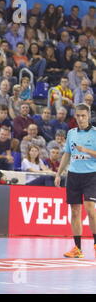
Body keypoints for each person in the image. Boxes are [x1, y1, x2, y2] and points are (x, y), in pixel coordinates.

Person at [54, 103, 96, 258]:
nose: (80, 118)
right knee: (75, 211)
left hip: (91, 175)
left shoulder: (95, 133)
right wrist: (58, 173)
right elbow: (66, 154)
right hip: (73, 175)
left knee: (90, 208)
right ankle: (77, 249)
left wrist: (85, 150)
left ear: (89, 116)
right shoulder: (71, 133)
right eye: (78, 115)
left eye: (83, 115)